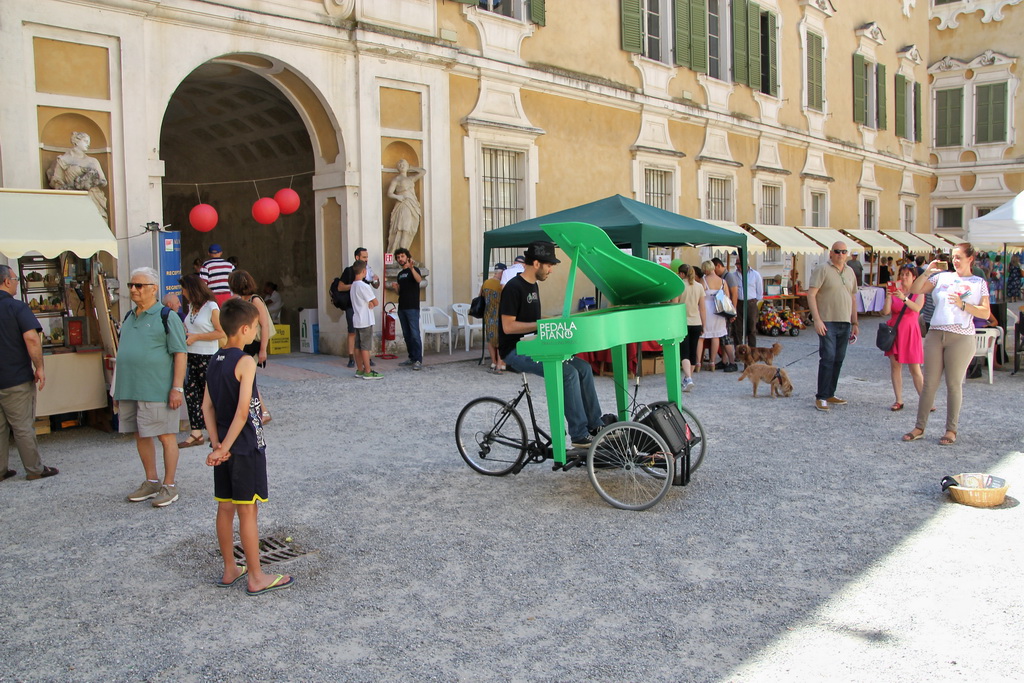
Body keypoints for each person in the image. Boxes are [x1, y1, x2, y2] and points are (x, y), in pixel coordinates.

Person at [203, 298, 294, 596]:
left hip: (225, 445)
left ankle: (231, 568)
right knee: (248, 511)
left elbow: (207, 407)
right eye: (255, 327)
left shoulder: (214, 360)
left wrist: (216, 443)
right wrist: (225, 447)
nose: (257, 332)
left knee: (225, 507)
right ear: (244, 329)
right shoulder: (245, 361)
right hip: (243, 446)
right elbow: (243, 412)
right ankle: (256, 576)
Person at [499, 241, 604, 449]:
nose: (551, 270)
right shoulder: (513, 287)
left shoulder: (533, 285)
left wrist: (554, 320)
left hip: (534, 345)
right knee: (568, 374)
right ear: (536, 263)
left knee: (582, 368)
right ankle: (579, 434)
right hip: (515, 351)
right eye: (549, 265)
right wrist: (540, 325)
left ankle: (595, 425)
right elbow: (508, 327)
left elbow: (534, 320)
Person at [902, 244, 990, 446]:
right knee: (929, 383)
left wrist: (964, 305)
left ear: (970, 258)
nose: (955, 261)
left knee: (953, 384)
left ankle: (951, 430)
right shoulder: (943, 277)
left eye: (959, 257)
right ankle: (919, 427)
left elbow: (985, 313)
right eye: (953, 257)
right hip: (936, 332)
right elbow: (914, 290)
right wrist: (927, 272)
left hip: (960, 336)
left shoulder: (978, 282)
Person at [115, 267, 187, 507]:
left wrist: (177, 388)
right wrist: (118, 389)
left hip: (157, 388)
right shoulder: (129, 316)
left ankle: (170, 485)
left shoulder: (167, 316)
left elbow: (180, 353)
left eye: (139, 285)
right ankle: (151, 480)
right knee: (140, 434)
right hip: (131, 389)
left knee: (166, 436)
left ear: (154, 289)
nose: (133, 290)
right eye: (131, 285)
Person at [0, 264, 59, 482]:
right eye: (15, 279)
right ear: (6, 282)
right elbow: (32, 338)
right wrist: (40, 367)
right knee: (22, 426)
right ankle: (34, 469)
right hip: (15, 378)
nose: (16, 283)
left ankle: (1, 470)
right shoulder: (17, 307)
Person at [807, 241, 859, 412]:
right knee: (828, 357)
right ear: (831, 253)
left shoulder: (850, 271)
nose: (841, 255)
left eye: (844, 252)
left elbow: (852, 297)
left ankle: (830, 393)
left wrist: (855, 322)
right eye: (837, 251)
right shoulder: (823, 269)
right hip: (827, 320)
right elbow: (811, 294)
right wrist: (817, 319)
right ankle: (821, 396)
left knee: (838, 358)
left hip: (844, 320)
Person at [178, 274, 225, 448]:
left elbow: (220, 332)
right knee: (191, 393)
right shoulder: (191, 307)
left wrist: (197, 337)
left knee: (210, 394)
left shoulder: (211, 306)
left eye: (184, 289)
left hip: (208, 355)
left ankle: (218, 430)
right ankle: (196, 432)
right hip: (191, 355)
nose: (182, 293)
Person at [229, 270, 274, 423]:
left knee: (248, 379)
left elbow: (265, 325)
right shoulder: (242, 300)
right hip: (246, 343)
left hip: (254, 344)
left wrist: (263, 350)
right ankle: (262, 411)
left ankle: (263, 411)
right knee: (247, 379)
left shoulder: (255, 300)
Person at [881, 265, 924, 412]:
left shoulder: (918, 292)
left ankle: (925, 400)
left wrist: (904, 298)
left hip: (910, 331)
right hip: (895, 331)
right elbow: (886, 311)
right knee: (895, 366)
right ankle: (898, 399)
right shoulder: (895, 292)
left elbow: (917, 308)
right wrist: (888, 297)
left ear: (914, 277)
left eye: (907, 275)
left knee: (915, 368)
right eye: (902, 274)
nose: (904, 277)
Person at [46, 131, 108, 222]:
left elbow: (104, 181)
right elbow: (57, 182)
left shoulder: (93, 161)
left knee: (97, 221)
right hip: (72, 197)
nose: (88, 144)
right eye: (86, 141)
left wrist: (89, 181)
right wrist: (73, 186)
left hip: (92, 196)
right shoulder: (64, 160)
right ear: (76, 142)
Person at [336, 248, 380, 368]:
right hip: (352, 306)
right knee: (352, 333)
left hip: (365, 308)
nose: (366, 259)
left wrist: (376, 280)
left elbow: (375, 286)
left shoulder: (368, 271)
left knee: (363, 339)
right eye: (364, 257)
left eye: (367, 257)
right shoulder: (349, 271)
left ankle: (366, 361)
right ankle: (352, 359)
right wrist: (357, 286)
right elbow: (340, 287)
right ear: (357, 258)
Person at [387, 247, 425, 371]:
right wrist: (396, 288)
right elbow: (400, 293)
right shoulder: (400, 274)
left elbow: (419, 280)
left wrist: (412, 268)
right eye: (398, 257)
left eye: (402, 256)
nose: (400, 259)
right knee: (407, 334)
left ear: (407, 257)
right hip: (402, 307)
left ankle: (418, 359)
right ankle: (412, 357)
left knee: (415, 334)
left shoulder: (414, 270)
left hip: (412, 307)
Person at [675, 263, 705, 392]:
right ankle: (688, 379)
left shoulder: (680, 286)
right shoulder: (699, 286)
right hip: (696, 322)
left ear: (682, 274)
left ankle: (688, 378)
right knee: (693, 352)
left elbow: (674, 305)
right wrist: (704, 324)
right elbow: (702, 308)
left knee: (684, 353)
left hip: (683, 322)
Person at [349, 261, 382, 380]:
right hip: (366, 320)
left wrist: (369, 302)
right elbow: (376, 302)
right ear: (364, 271)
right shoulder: (364, 286)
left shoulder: (353, 285)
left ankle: (360, 369)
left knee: (357, 346)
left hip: (357, 319)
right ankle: (368, 370)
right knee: (365, 347)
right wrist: (371, 303)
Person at [386, 159, 426, 254]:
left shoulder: (410, 179)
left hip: (413, 204)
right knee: (404, 228)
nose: (402, 165)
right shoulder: (396, 179)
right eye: (400, 164)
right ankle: (401, 254)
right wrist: (398, 196)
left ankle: (404, 253)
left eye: (404, 164)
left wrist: (411, 167)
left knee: (409, 230)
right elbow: (389, 193)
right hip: (403, 204)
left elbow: (423, 172)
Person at [697, 261, 729, 373]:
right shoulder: (723, 282)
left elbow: (699, 296)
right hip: (718, 310)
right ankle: (712, 362)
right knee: (716, 336)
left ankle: (698, 363)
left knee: (701, 337)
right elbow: (727, 297)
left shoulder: (704, 280)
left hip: (706, 309)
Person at [726, 261, 763, 348]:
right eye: (737, 264)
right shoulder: (734, 275)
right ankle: (738, 351)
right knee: (737, 328)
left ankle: (752, 350)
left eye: (739, 264)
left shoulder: (755, 275)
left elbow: (759, 292)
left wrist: (754, 301)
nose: (738, 267)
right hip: (738, 302)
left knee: (751, 328)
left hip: (751, 302)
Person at [711, 258, 737, 371]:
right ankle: (724, 360)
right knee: (722, 337)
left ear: (717, 266)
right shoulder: (722, 277)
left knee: (726, 338)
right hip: (722, 312)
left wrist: (733, 312)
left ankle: (732, 362)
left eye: (714, 268)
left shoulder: (729, 277)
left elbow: (734, 293)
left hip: (727, 311)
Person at [480, 263, 506, 373]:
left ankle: (493, 362)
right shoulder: (501, 285)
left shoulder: (486, 283)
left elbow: (480, 296)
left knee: (490, 340)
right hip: (499, 315)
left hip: (488, 314)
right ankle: (500, 364)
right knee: (501, 339)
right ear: (502, 272)